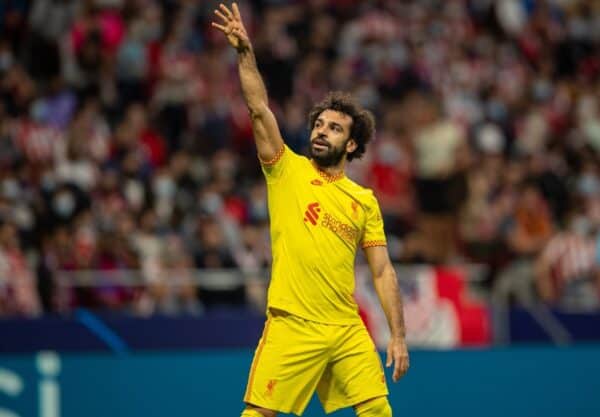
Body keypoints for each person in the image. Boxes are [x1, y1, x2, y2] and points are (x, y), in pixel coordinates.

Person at [212, 4, 409, 417]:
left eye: (334, 128)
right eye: (319, 124)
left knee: (378, 410)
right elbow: (258, 110)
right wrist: (245, 53)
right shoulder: (286, 169)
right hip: (292, 323)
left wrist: (398, 335)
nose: (321, 130)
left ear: (351, 145)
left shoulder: (364, 201)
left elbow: (382, 271)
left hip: (345, 328)